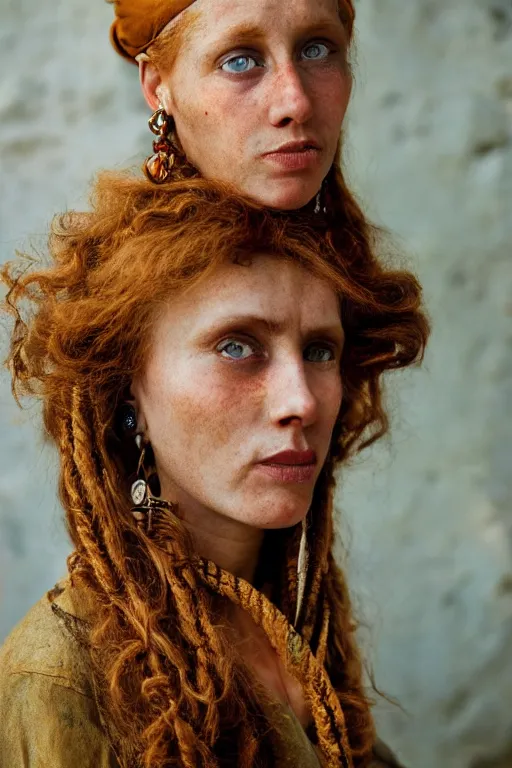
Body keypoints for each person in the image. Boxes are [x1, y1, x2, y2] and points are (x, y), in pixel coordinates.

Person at [0, 172, 427, 766]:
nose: (300, 400)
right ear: (129, 393)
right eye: (236, 346)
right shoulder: (62, 677)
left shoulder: (299, 612)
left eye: (319, 350)